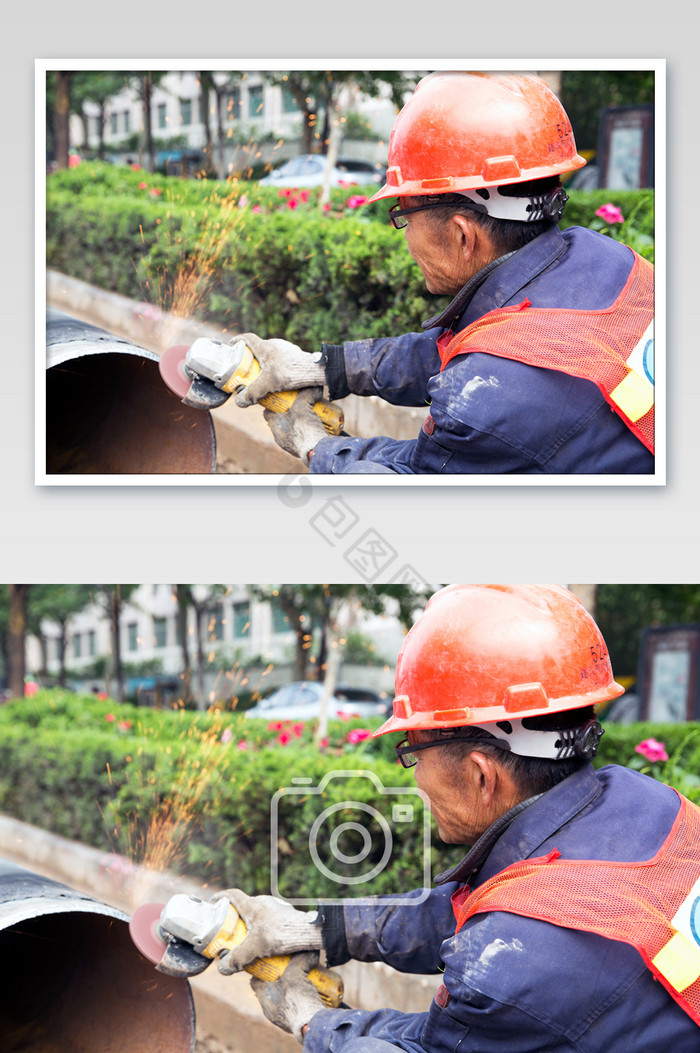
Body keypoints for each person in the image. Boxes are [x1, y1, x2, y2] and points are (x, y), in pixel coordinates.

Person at [214, 585, 699, 1050]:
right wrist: (320, 927)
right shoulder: (648, 804)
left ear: (481, 776)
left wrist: (309, 1020)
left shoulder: (512, 964)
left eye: (413, 755)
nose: (415, 780)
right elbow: (473, 908)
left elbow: (438, 1044)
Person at [231, 72, 655, 475]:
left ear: (462, 235)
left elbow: (419, 479)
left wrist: (315, 446)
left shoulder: (484, 402)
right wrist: (325, 367)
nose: (404, 237)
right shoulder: (603, 259)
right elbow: (461, 349)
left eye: (404, 217)